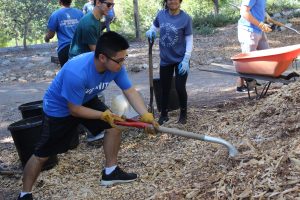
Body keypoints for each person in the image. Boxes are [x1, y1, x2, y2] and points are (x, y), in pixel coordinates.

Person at [17, 31, 159, 200]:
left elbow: (128, 90)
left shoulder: (116, 66)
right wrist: (103, 115)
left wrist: (145, 115)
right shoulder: (76, 72)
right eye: (119, 60)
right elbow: (74, 110)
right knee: (42, 155)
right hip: (59, 108)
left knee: (114, 126)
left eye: (124, 58)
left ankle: (110, 172)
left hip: (86, 99)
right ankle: (25, 194)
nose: (122, 64)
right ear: (102, 58)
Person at [146, 0, 193, 125]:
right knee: (164, 88)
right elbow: (154, 27)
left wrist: (186, 59)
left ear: (180, 1)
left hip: (181, 60)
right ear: (166, 1)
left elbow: (189, 40)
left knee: (179, 87)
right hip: (166, 59)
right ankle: (164, 114)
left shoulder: (185, 18)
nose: (173, 1)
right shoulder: (161, 14)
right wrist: (151, 32)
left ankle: (183, 113)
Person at [236, 0, 272, 93]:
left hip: (259, 30)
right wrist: (260, 24)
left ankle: (253, 78)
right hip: (248, 30)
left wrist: (266, 15)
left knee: (269, 55)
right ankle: (240, 86)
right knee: (247, 60)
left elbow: (257, 8)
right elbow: (244, 12)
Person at [44, 0, 83, 67]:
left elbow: (51, 35)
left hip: (64, 49)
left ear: (60, 1)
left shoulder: (55, 14)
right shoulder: (80, 13)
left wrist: (46, 37)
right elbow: (84, 30)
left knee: (67, 73)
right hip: (79, 48)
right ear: (70, 1)